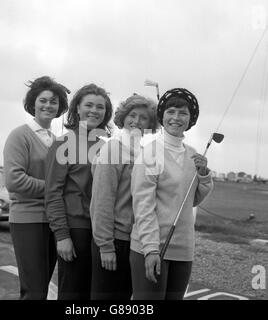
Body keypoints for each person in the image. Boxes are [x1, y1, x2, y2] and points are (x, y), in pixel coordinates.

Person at [130, 88, 214, 300]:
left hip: (183, 249)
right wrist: (150, 249)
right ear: (162, 115)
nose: (176, 118)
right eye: (171, 111)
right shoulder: (149, 153)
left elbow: (191, 200)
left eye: (183, 113)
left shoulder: (194, 154)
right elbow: (143, 206)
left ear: (191, 118)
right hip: (151, 247)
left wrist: (203, 175)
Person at [3, 76, 70, 299]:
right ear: (33, 103)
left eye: (54, 102)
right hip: (28, 219)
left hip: (54, 220)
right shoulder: (19, 136)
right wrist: (54, 189)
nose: (48, 106)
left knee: (42, 287)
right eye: (43, 100)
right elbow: (14, 180)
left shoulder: (57, 140)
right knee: (34, 290)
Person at [45, 83, 113, 300]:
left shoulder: (108, 146)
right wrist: (62, 236)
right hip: (76, 230)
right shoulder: (63, 143)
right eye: (89, 105)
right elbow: (53, 193)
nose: (94, 110)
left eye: (100, 107)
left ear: (106, 113)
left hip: (102, 231)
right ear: (77, 109)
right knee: (73, 295)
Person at [90, 94, 158, 300]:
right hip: (114, 240)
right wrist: (105, 246)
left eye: (143, 117)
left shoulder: (147, 153)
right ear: (123, 117)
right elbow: (102, 199)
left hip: (135, 241)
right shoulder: (113, 148)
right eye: (132, 115)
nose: (136, 121)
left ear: (150, 124)